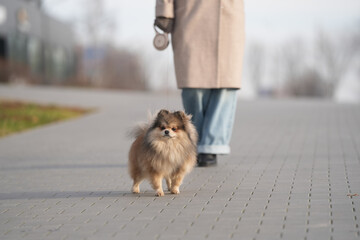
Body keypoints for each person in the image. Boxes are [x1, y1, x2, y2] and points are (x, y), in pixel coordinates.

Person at [155, 0, 245, 167]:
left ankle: (211, 146)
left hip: (228, 15)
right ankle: (195, 141)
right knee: (193, 83)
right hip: (191, 14)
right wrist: (164, 11)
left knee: (226, 84)